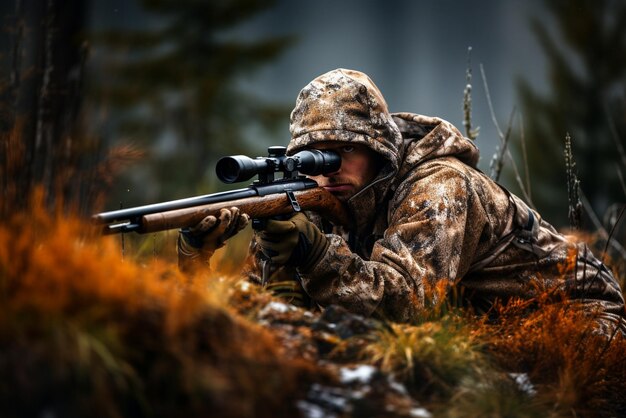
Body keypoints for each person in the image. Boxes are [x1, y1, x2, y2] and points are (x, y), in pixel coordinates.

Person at [177, 68, 625, 334]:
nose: (327, 167)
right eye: (314, 155)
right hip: (476, 322)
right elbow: (261, 318)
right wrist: (195, 259)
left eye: (344, 150)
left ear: (379, 150)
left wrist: (314, 255)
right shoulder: (308, 198)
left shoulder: (441, 184)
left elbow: (409, 306)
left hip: (576, 318)